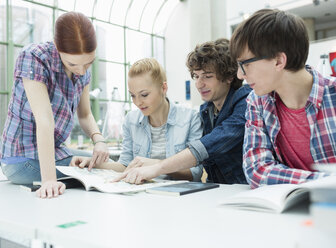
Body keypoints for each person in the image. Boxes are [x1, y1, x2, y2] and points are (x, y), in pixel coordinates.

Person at [229, 9, 336, 189]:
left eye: (246, 64)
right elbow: (257, 170)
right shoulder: (258, 103)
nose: (240, 75)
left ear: (279, 61)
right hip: (293, 212)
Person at [0, 12, 109, 198]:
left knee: (105, 162)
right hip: (21, 159)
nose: (81, 71)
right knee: (105, 170)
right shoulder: (34, 57)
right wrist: (49, 180)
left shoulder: (82, 72)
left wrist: (99, 141)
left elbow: (85, 115)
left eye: (88, 64)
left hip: (55, 151)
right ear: (57, 46)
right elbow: (44, 121)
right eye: (73, 64)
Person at [114, 38, 252, 185]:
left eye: (208, 76)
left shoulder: (246, 102)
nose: (199, 84)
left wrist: (157, 167)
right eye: (196, 76)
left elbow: (209, 145)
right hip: (218, 190)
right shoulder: (206, 111)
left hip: (245, 190)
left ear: (229, 76)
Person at [72, 58, 204, 181]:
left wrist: (156, 165)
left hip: (179, 196)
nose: (138, 102)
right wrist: (94, 163)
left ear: (163, 88)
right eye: (133, 96)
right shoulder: (131, 120)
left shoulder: (191, 118)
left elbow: (195, 173)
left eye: (144, 95)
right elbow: (125, 166)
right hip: (142, 194)